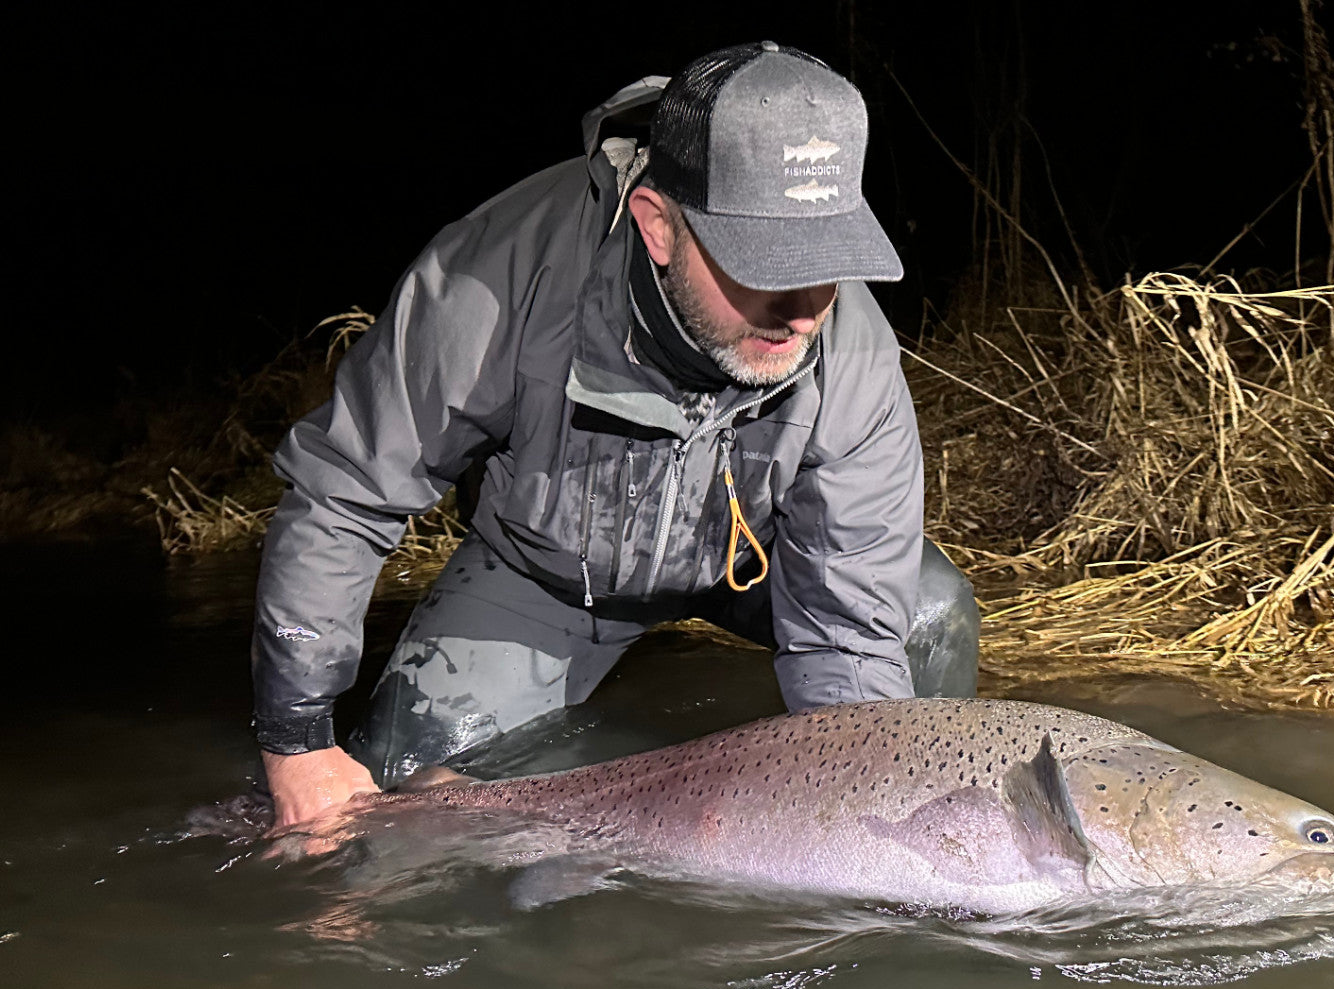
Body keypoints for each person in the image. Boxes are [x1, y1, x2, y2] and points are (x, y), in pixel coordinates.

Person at [252, 42, 979, 830]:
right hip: (546, 577)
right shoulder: (492, 279)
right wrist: (296, 737)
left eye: (828, 259)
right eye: (767, 263)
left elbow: (849, 627)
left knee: (925, 618)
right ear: (658, 226)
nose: (804, 312)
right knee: (403, 800)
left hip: (751, 565)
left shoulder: (851, 349)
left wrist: (858, 822)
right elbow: (344, 498)